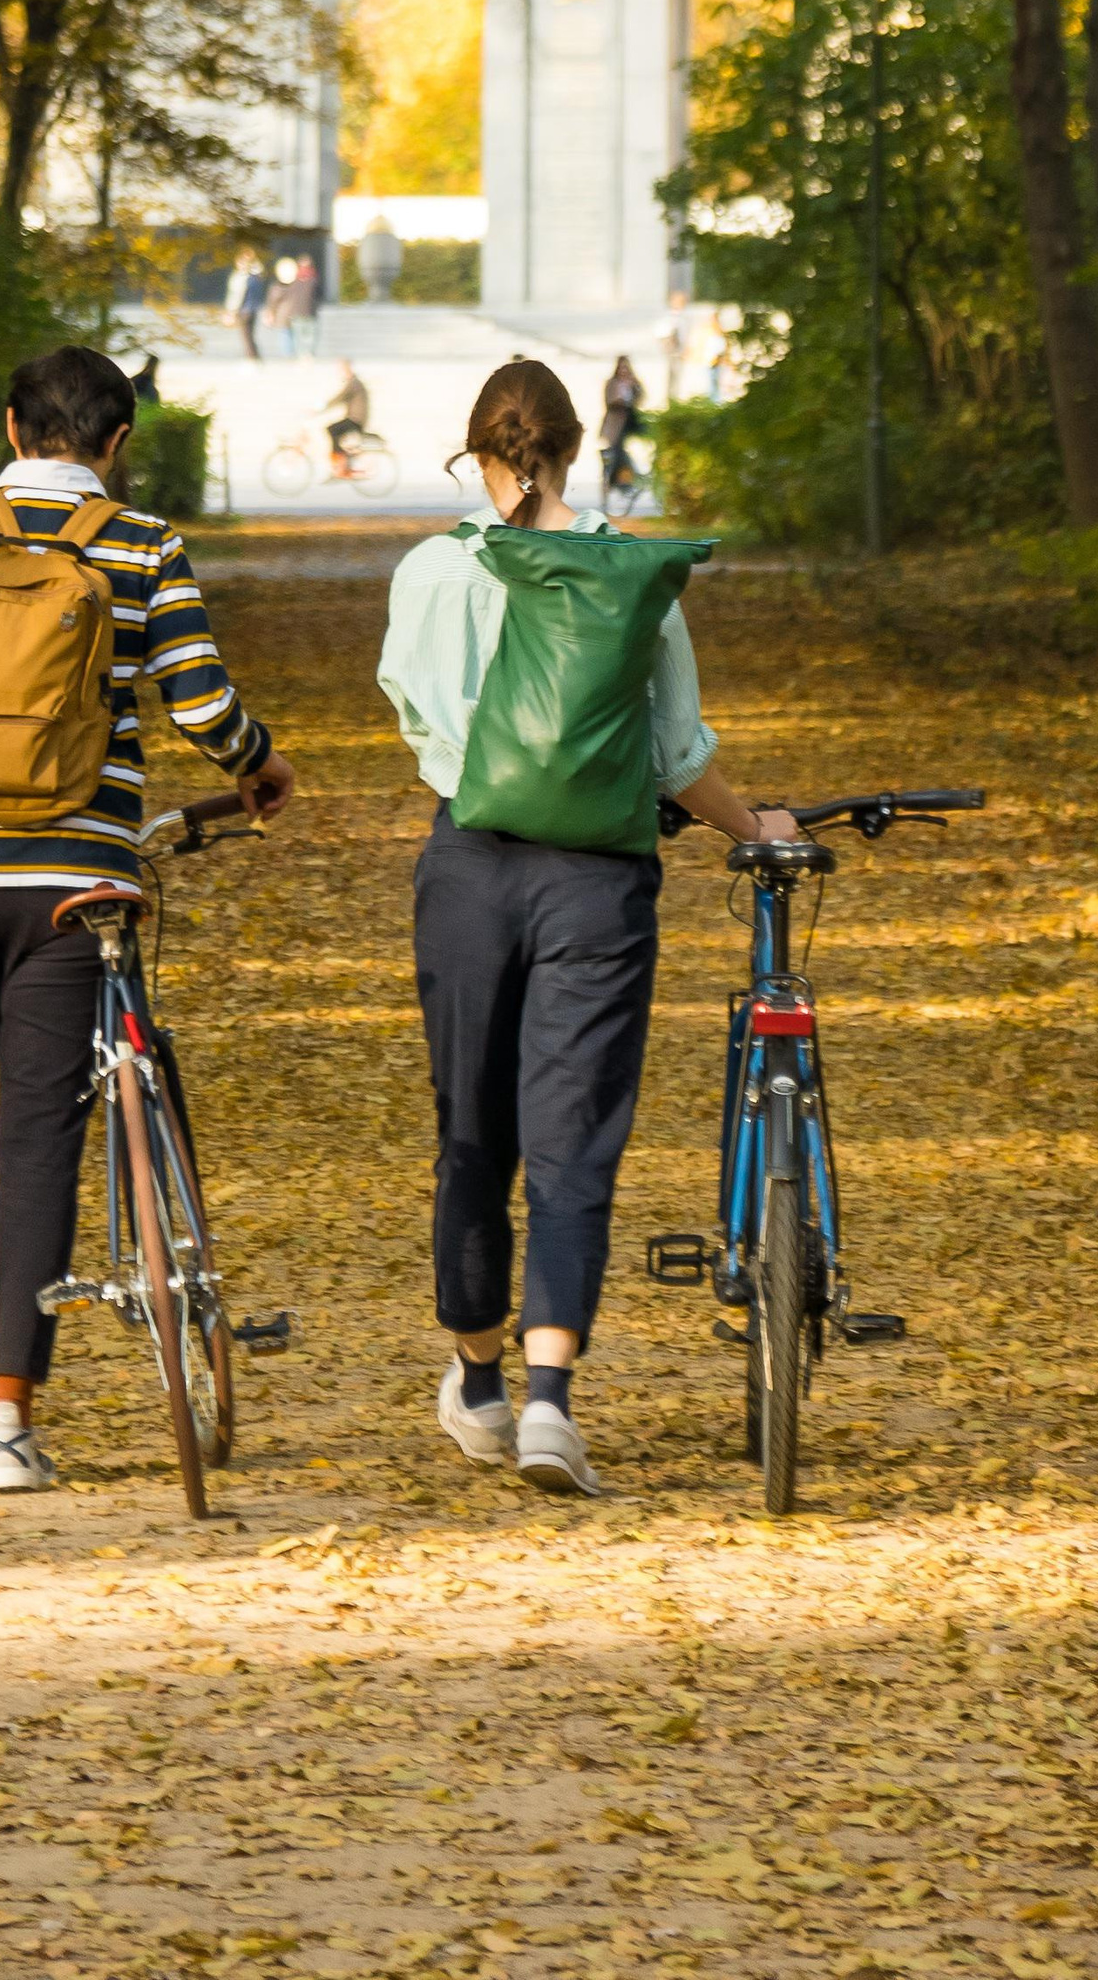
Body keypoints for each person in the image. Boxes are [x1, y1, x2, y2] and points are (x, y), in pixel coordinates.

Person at [0, 345, 295, 1495]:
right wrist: (256, 765)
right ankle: (10, 1420)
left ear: (10, 426)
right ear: (118, 441)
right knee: (45, 1138)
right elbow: (197, 699)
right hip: (78, 884)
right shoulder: (142, 544)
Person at [378, 358, 797, 1497]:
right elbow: (677, 756)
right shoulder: (632, 573)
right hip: (598, 880)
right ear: (574, 448)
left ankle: (476, 1382)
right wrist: (748, 824)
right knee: (573, 1140)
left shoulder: (430, 571)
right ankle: (552, 1400)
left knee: (472, 1130)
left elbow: (414, 711)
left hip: (468, 867)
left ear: (478, 452)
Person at [598, 356, 645, 512]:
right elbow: (610, 401)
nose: (623, 371)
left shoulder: (633, 383)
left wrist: (634, 387)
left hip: (628, 424)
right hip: (614, 425)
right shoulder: (612, 383)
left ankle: (628, 483)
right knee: (613, 457)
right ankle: (614, 486)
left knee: (622, 456)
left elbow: (641, 398)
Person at [324, 360, 371, 474]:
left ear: (348, 369)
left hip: (356, 420)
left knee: (332, 429)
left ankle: (340, 464)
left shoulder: (354, 384)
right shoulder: (355, 382)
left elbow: (340, 397)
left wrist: (323, 407)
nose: (341, 373)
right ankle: (342, 462)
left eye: (342, 370)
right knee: (338, 434)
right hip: (355, 418)